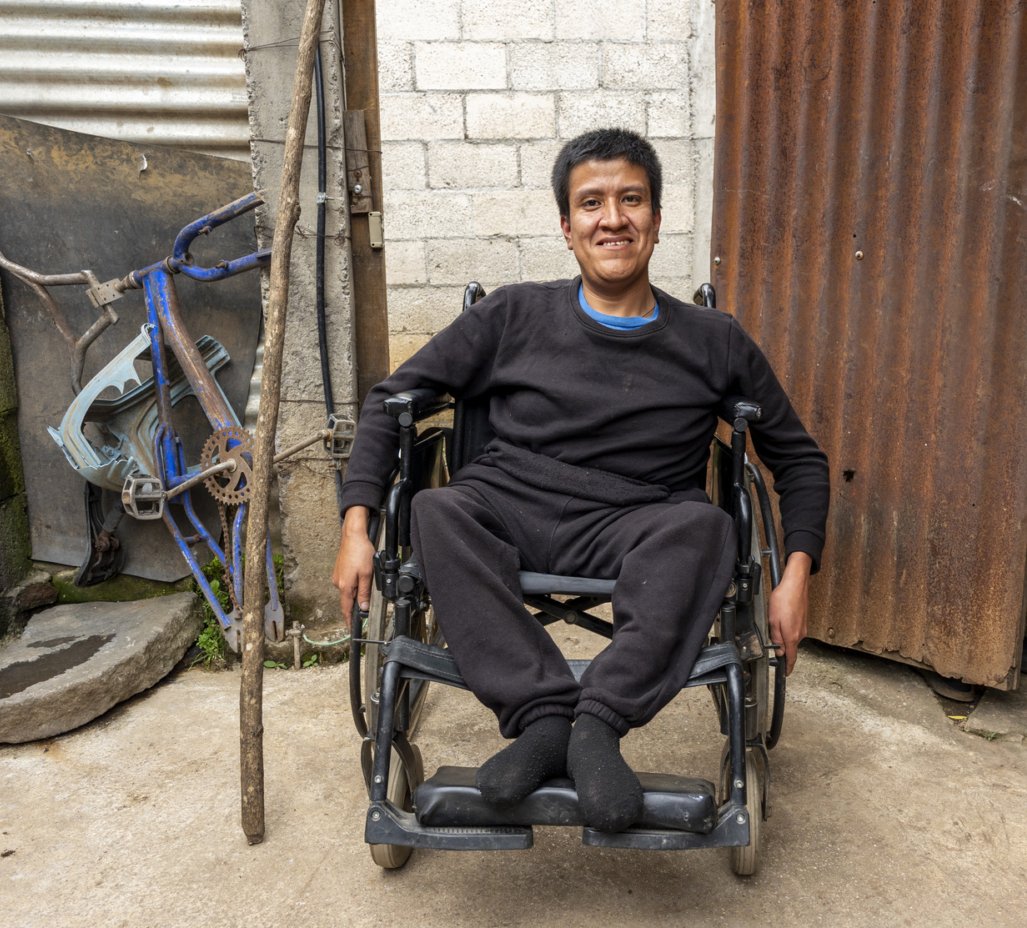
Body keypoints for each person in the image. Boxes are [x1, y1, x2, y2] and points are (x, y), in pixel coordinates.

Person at [333, 128, 829, 833]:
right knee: (438, 510)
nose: (613, 218)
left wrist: (795, 572)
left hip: (644, 518)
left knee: (709, 526)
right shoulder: (512, 315)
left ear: (656, 219)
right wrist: (357, 526)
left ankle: (595, 723)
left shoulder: (713, 340)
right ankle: (541, 719)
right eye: (591, 203)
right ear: (567, 228)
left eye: (631, 199)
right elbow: (392, 400)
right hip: (511, 503)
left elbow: (800, 459)